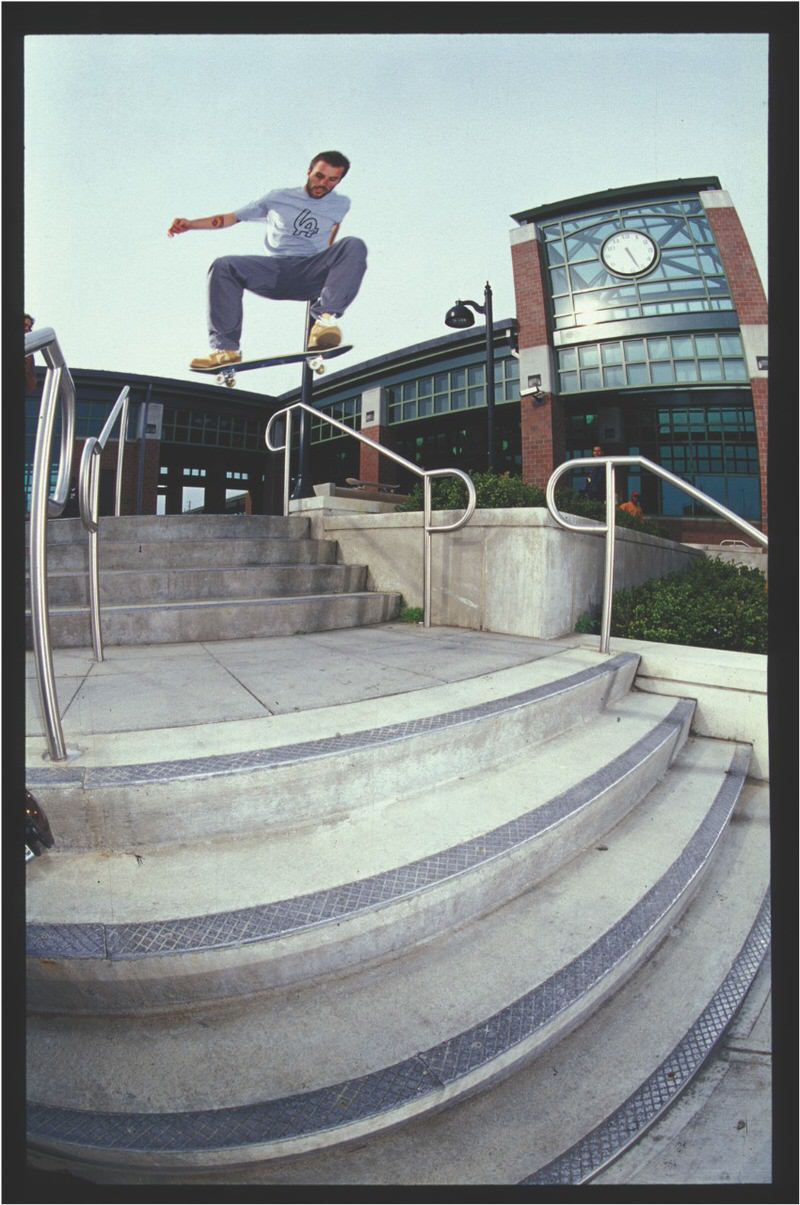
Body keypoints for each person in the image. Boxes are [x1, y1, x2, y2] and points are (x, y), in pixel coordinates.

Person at [168, 151, 367, 371]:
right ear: (309, 172)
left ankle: (325, 322)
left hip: (311, 272)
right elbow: (230, 218)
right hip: (276, 271)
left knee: (354, 245)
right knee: (223, 266)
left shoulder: (341, 204)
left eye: (332, 180)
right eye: (319, 176)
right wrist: (190, 225)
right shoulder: (278, 198)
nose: (323, 184)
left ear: (339, 180)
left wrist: (330, 269)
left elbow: (334, 229)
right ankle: (225, 351)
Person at [25, 313, 37, 394]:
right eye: (24, 325)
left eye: (29, 327)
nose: (27, 329)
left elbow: (31, 386)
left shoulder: (29, 354)